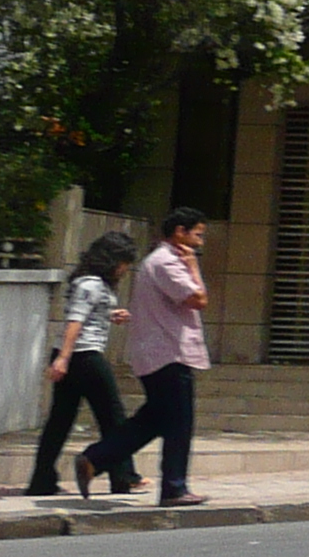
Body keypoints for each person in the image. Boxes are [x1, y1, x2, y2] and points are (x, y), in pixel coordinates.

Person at [77, 206, 214, 507]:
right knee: (179, 423)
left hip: (159, 353)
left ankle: (94, 459)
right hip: (168, 354)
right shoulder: (168, 263)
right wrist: (193, 267)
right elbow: (198, 299)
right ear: (180, 232)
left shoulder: (159, 261)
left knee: (153, 419)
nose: (201, 242)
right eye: (198, 235)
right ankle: (174, 488)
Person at [26, 229, 143, 497]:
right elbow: (75, 321)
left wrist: (110, 314)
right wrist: (63, 358)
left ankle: (41, 480)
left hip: (75, 355)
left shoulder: (89, 283)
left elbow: (87, 315)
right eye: (124, 262)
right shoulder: (91, 284)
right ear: (111, 260)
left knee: (60, 421)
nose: (125, 269)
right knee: (113, 417)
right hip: (84, 356)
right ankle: (123, 476)